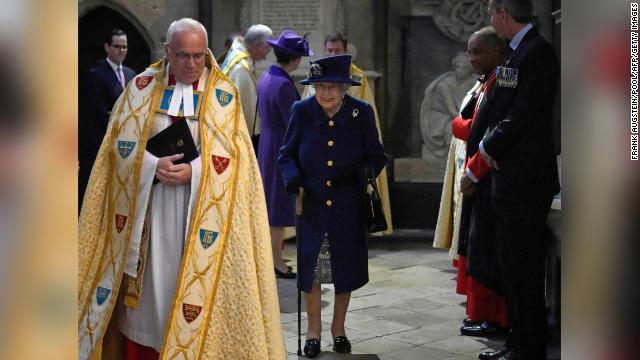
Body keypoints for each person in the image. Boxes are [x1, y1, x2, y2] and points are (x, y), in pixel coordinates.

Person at [78, 18, 285, 360]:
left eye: (198, 56)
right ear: (167, 52)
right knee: (148, 310)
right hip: (149, 217)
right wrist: (150, 165)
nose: (191, 64)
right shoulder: (141, 87)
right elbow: (118, 146)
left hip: (203, 222)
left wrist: (196, 170)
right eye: (183, 55)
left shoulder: (223, 95)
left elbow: (238, 160)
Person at [279, 54, 387, 358]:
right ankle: (313, 332)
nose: (326, 92)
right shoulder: (301, 111)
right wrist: (294, 181)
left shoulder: (361, 113)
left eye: (333, 87)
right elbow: (286, 155)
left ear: (345, 88)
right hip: (312, 204)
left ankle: (338, 330)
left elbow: (376, 156)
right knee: (312, 270)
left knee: (344, 269)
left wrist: (359, 175)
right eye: (320, 86)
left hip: (347, 205)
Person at [474, 1, 560, 359]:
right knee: (510, 264)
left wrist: (489, 144)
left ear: (504, 14)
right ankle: (516, 342)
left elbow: (525, 112)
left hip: (526, 177)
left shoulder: (537, 53)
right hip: (508, 175)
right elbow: (500, 105)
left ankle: (529, 348)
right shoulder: (515, 52)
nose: (491, 20)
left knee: (524, 267)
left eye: (493, 13)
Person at [450, 27, 509, 340]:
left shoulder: (502, 79)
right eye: (470, 52)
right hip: (478, 173)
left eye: (478, 52)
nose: (471, 58)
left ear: (496, 52)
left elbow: (487, 129)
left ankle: (493, 316)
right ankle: (483, 313)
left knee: (488, 250)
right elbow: (469, 122)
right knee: (477, 246)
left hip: (488, 176)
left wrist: (473, 171)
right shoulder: (487, 80)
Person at [302, 33, 393, 235]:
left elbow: (367, 115)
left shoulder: (357, 77)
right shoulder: (315, 75)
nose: (332, 53)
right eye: (329, 50)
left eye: (337, 50)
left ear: (346, 51)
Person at [257, 30, 313, 279]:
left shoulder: (267, 76)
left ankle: (271, 258)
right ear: (295, 59)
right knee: (277, 210)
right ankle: (276, 262)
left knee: (271, 206)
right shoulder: (283, 84)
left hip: (268, 145)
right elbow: (294, 123)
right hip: (281, 148)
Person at [79, 29, 136, 209]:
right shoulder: (96, 75)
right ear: (107, 47)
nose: (121, 50)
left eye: (124, 47)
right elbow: (100, 112)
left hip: (126, 143)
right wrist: (129, 122)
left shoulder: (131, 74)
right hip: (102, 142)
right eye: (117, 46)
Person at [220, 24, 273, 137]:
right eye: (268, 48)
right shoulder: (241, 70)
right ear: (259, 46)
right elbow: (247, 113)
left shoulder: (238, 55)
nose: (268, 53)